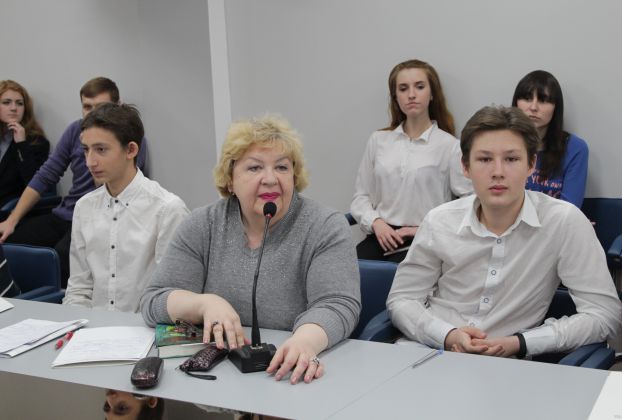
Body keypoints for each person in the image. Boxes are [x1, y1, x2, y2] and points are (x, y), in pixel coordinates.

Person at [140, 115, 361, 385]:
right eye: (255, 168)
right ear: (230, 180)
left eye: (282, 167)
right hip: (217, 379)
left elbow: (338, 304)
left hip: (290, 373)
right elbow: (154, 300)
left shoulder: (325, 226)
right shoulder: (202, 224)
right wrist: (205, 304)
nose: (270, 179)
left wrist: (304, 342)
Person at [387, 105, 620, 358]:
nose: (498, 172)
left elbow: (603, 314)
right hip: (427, 353)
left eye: (511, 159)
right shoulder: (439, 220)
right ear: (465, 167)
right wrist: (447, 335)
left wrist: (521, 343)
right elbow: (402, 299)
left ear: (531, 164)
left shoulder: (563, 222)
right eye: (485, 159)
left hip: (505, 366)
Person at [0, 77, 148, 287]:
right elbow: (46, 175)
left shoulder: (128, 140)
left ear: (117, 106)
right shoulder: (74, 131)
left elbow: (117, 189)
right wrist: (12, 220)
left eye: (101, 107)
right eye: (87, 107)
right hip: (66, 213)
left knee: (63, 256)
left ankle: (52, 301)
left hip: (100, 216)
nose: (93, 114)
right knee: (9, 242)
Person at [63, 103, 188, 312]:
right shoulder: (84, 207)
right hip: (93, 326)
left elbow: (172, 294)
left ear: (131, 150)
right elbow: (78, 289)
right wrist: (77, 325)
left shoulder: (167, 209)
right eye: (86, 150)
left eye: (101, 149)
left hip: (145, 326)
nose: (90, 162)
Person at [350, 59, 472, 263]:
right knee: (348, 272)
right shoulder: (378, 140)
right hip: (381, 236)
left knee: (405, 278)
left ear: (432, 94)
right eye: (403, 88)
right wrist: (376, 223)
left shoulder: (450, 146)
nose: (411, 95)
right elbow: (360, 197)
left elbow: (470, 202)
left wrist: (422, 229)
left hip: (426, 239)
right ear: (395, 96)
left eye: (420, 87)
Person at [512, 70, 588, 207]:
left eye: (543, 100)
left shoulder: (575, 148)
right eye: (527, 98)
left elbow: (569, 209)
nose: (533, 107)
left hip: (558, 220)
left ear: (555, 107)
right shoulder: (502, 143)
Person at [0, 80, 50, 210]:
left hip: (10, 209)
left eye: (19, 103)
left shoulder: (37, 142)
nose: (13, 108)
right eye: (6, 102)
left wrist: (21, 145)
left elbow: (34, 183)